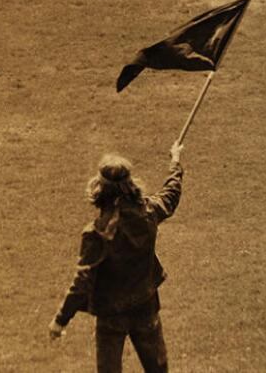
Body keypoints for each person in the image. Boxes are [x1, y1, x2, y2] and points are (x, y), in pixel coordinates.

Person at [49, 142, 185, 373]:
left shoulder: (96, 233)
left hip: (111, 313)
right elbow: (171, 194)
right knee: (158, 369)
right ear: (130, 185)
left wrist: (60, 320)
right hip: (146, 305)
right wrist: (175, 161)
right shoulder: (148, 213)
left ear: (100, 189)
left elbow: (83, 281)